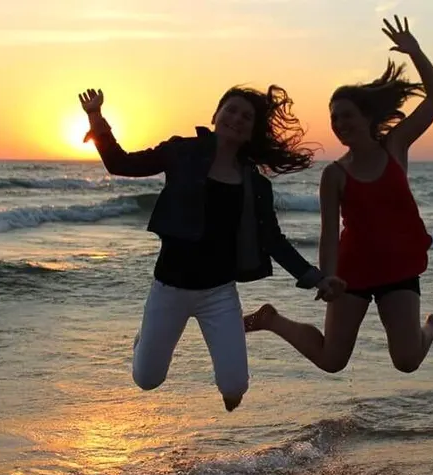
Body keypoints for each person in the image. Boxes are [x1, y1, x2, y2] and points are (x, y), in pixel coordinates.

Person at [79, 84, 345, 412]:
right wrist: (96, 117)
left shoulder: (256, 185)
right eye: (231, 110)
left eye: (247, 117)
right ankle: (144, 340)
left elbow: (273, 240)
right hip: (169, 288)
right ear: (215, 115)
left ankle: (225, 382)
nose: (237, 118)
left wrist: (316, 278)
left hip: (218, 293)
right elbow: (121, 164)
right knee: (147, 379)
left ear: (252, 131)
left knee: (235, 387)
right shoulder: (182, 152)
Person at [244, 16, 433, 375]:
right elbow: (329, 233)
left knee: (406, 361)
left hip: (398, 266)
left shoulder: (395, 145)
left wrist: (416, 52)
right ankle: (272, 319)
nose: (340, 123)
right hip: (353, 270)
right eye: (334, 118)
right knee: (332, 360)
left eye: (346, 115)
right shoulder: (334, 174)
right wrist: (327, 277)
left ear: (367, 116)